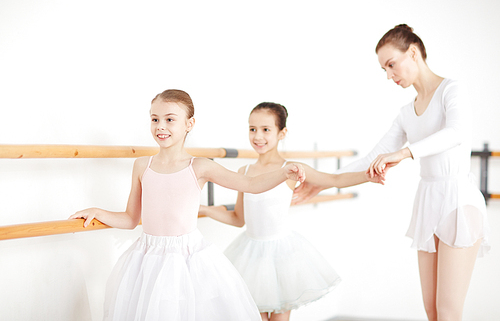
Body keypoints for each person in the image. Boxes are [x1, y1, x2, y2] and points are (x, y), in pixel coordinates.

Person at [293, 25, 490, 321]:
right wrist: (324, 182)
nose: (388, 75)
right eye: (384, 69)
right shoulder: (406, 113)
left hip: (458, 201)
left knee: (449, 312)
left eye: (391, 64)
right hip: (429, 201)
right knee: (432, 310)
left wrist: (406, 152)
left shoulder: (452, 90)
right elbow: (372, 159)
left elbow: (457, 132)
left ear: (413, 52)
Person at [69, 90, 306, 321]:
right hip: (147, 259)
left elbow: (250, 184)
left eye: (170, 119)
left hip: (187, 259)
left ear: (189, 124)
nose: (160, 126)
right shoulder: (142, 166)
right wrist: (98, 212)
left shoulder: (199, 166)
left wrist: (283, 173)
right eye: (155, 119)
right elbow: (131, 219)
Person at [199, 102, 386, 321]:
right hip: (251, 258)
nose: (257, 136)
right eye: (252, 129)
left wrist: (367, 176)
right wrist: (204, 209)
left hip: (282, 256)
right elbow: (238, 218)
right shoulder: (244, 171)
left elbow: (334, 179)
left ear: (282, 133)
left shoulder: (292, 169)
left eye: (266, 129)